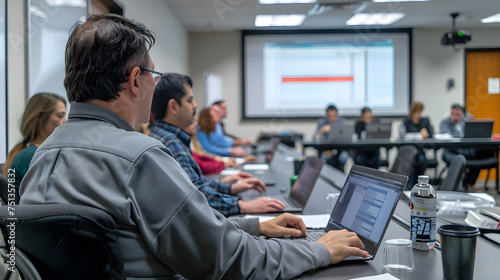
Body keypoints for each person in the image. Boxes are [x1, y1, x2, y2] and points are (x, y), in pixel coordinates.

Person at [19, 14, 368, 279]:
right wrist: (317, 250)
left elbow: (178, 231)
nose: (155, 85)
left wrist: (252, 226)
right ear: (133, 82)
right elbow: (229, 260)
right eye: (152, 75)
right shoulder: (139, 157)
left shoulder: (42, 156)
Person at [149, 73, 284, 216]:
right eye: (190, 101)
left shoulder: (162, 136)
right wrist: (243, 206)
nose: (195, 105)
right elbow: (196, 196)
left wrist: (230, 188)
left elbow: (195, 183)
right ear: (174, 107)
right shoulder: (171, 142)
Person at [2, 93, 66, 189]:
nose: (65, 121)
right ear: (42, 119)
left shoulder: (31, 153)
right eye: (60, 116)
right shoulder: (33, 155)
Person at [440, 104, 492, 191]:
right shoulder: (446, 123)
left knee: (481, 155)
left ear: (462, 114)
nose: (455, 117)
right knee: (458, 160)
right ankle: (457, 186)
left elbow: (473, 135)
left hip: (467, 151)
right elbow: (445, 136)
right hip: (452, 151)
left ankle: (468, 183)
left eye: (458, 114)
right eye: (453, 114)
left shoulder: (468, 122)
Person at [402, 102, 435, 186]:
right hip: (409, 153)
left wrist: (426, 134)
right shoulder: (406, 123)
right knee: (411, 162)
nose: (418, 114)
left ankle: (417, 184)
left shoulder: (425, 121)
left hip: (420, 152)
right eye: (416, 112)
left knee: (421, 160)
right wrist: (420, 135)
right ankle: (409, 187)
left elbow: (431, 135)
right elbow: (405, 137)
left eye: (420, 112)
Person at [314, 104, 349, 171]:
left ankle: (340, 177)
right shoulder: (322, 122)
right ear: (326, 115)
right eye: (329, 116)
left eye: (333, 116)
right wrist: (322, 130)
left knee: (343, 157)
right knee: (324, 157)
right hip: (327, 150)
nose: (331, 118)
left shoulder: (342, 122)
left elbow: (348, 137)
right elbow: (314, 139)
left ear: (337, 115)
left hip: (341, 149)